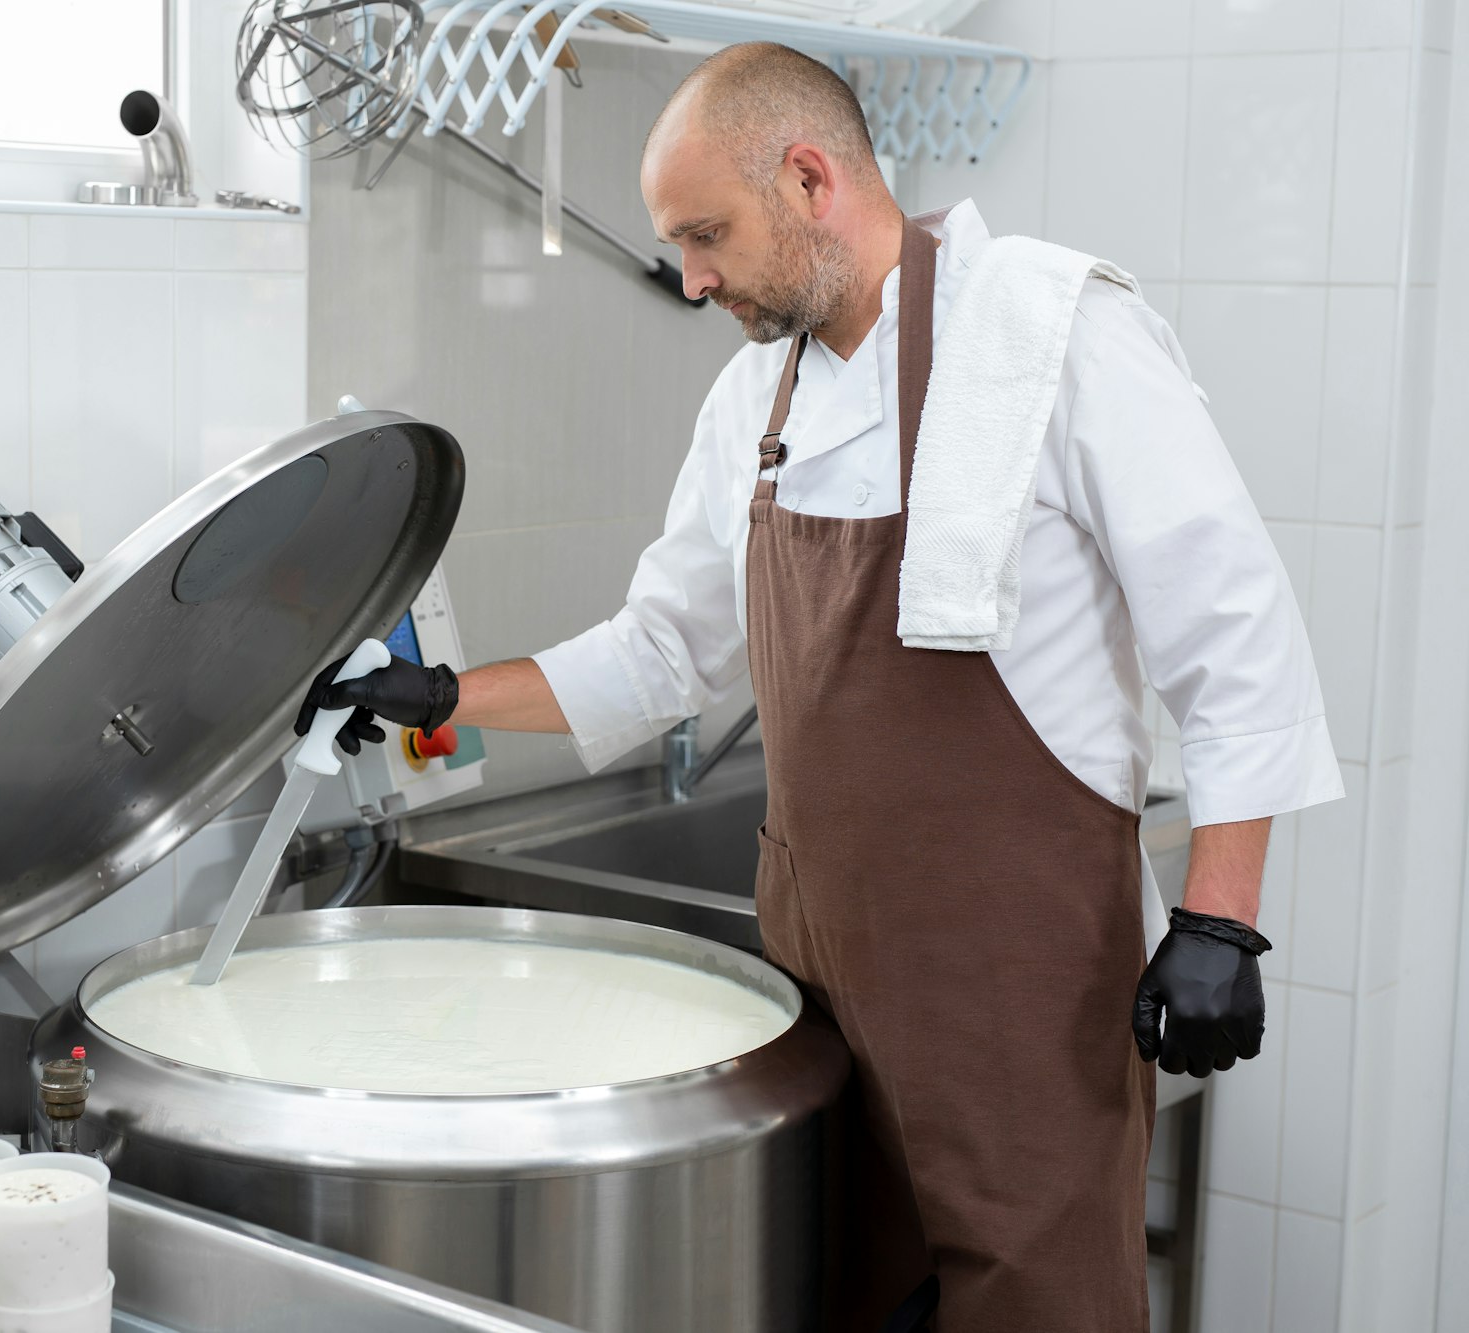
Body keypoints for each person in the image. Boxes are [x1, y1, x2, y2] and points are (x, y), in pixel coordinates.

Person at [296, 41, 1342, 1333]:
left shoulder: (1051, 331)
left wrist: (1220, 918)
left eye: (704, 234)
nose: (689, 279)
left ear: (808, 178)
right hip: (826, 988)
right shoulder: (755, 402)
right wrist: (444, 689)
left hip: (1020, 995)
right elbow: (664, 651)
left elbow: (1233, 625)